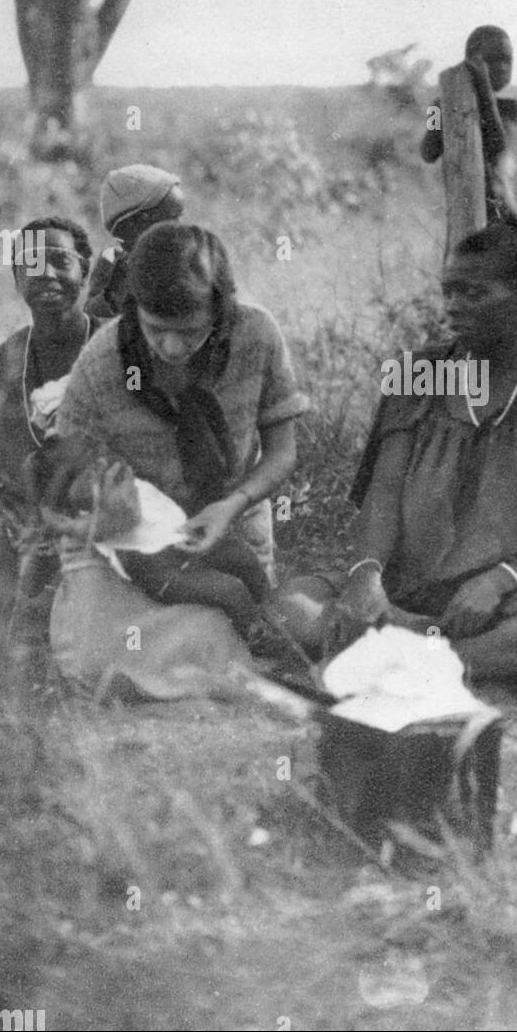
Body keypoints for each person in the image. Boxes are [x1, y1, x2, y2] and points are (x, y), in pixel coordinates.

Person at [277, 216, 517, 682]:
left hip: (501, 599)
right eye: (449, 292)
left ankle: (419, 661)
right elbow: (385, 491)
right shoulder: (417, 373)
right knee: (289, 605)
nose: (453, 308)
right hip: (404, 592)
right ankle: (450, 658)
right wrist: (366, 577)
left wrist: (501, 581)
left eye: (473, 294)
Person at [52, 223, 309, 696]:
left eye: (189, 332)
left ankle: (277, 649)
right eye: (155, 330)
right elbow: (66, 472)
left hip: (226, 513)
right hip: (133, 538)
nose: (171, 347)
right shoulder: (103, 361)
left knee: (246, 588)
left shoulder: (256, 336)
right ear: (134, 310)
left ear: (221, 310)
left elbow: (281, 451)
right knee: (113, 651)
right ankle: (262, 659)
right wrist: (102, 503)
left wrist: (230, 506)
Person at [0, 217, 107, 676]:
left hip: (108, 505)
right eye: (32, 265)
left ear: (85, 270)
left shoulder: (114, 344)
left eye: (61, 261)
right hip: (32, 516)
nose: (47, 274)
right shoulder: (3, 362)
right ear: (17, 279)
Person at [29, 436, 271, 639]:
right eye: (85, 472)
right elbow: (119, 515)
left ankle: (271, 607)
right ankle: (255, 637)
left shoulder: (119, 472)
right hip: (158, 568)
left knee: (241, 556)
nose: (101, 466)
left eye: (95, 456)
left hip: (180, 539)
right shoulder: (87, 517)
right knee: (229, 590)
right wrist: (61, 514)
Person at [421, 26, 517, 221]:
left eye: (507, 60)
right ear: (471, 61)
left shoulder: (510, 108)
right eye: (492, 60)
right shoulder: (437, 107)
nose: (502, 67)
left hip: (501, 213)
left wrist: (484, 90)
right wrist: (440, 110)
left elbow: (498, 147)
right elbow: (428, 152)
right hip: (463, 211)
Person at [86, 165, 185, 319]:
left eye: (180, 216)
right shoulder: (112, 262)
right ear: (136, 226)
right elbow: (91, 314)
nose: (181, 227)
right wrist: (113, 297)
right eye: (172, 219)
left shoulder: (188, 259)